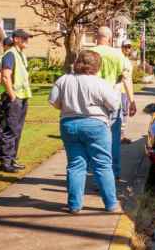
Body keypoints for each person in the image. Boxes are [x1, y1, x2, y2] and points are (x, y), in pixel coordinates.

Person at [49, 50, 121, 213]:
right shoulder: (100, 83)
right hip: (96, 125)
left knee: (75, 165)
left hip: (69, 124)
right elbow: (114, 104)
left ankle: (74, 205)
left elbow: (54, 102)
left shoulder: (63, 80)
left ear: (78, 63)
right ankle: (110, 204)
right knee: (102, 165)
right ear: (96, 66)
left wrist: (67, 106)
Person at [91, 27, 136, 179]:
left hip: (94, 103)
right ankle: (114, 172)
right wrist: (132, 100)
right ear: (110, 39)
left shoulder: (89, 54)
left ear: (96, 37)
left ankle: (99, 174)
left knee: (96, 140)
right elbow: (126, 79)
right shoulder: (118, 56)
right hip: (113, 100)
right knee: (114, 139)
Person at [0, 29, 33, 173]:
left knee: (17, 129)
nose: (27, 41)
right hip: (14, 98)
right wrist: (12, 96)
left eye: (27, 38)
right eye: (24, 38)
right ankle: (6, 162)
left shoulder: (20, 55)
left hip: (22, 97)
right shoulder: (10, 54)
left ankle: (12, 159)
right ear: (16, 39)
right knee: (10, 130)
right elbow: (5, 76)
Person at [119, 40, 134, 144]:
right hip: (120, 91)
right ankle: (120, 135)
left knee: (124, 113)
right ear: (122, 47)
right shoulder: (121, 60)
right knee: (121, 113)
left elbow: (129, 79)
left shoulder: (127, 60)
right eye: (126, 47)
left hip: (126, 91)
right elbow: (124, 78)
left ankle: (121, 134)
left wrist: (131, 96)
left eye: (129, 47)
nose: (128, 49)